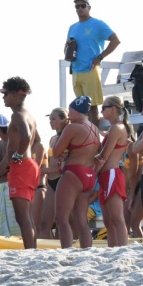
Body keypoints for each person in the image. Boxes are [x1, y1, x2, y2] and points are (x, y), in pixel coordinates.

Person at [0, 77, 43, 248]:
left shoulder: (17, 114)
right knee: (26, 216)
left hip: (22, 166)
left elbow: (27, 136)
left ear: (14, 95)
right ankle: (32, 249)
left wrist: (18, 155)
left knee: (22, 217)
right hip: (29, 165)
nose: (3, 97)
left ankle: (30, 251)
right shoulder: (29, 114)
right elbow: (37, 140)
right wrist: (26, 155)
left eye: (5, 94)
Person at [52, 96, 100, 249]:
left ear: (75, 110)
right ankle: (87, 250)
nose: (68, 114)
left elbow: (56, 152)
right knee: (81, 220)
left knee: (61, 219)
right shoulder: (94, 128)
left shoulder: (72, 128)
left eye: (70, 110)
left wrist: (61, 131)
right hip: (89, 174)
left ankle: (66, 250)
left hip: (74, 173)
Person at [67, 0, 121, 123]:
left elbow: (115, 40)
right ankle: (85, 133)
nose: (80, 9)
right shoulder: (72, 27)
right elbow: (69, 46)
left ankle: (94, 134)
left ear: (89, 8)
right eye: (77, 6)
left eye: (83, 6)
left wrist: (100, 57)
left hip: (90, 69)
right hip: (75, 70)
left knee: (92, 107)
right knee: (80, 109)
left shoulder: (98, 24)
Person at [93, 96, 133, 247]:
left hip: (111, 174)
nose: (101, 111)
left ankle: (122, 248)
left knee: (117, 219)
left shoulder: (117, 128)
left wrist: (92, 174)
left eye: (104, 107)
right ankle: (113, 249)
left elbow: (103, 156)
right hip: (106, 175)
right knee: (109, 221)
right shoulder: (115, 128)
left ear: (114, 109)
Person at [39, 109, 68, 240]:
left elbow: (64, 166)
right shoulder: (53, 139)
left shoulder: (68, 138)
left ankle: (65, 247)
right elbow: (51, 161)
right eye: (50, 119)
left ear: (64, 120)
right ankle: (47, 248)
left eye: (53, 119)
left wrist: (44, 171)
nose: (50, 122)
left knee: (63, 222)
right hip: (51, 182)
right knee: (45, 223)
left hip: (63, 180)